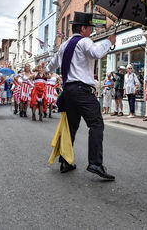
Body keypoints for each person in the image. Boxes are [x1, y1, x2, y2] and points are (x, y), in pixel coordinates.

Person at [46, 11, 116, 180]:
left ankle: (65, 161)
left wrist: (45, 72)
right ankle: (95, 163)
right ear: (83, 28)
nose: (91, 32)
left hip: (68, 90)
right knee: (96, 123)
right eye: (89, 28)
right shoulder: (85, 41)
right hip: (82, 90)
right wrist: (109, 41)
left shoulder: (63, 45)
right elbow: (97, 53)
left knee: (71, 126)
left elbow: (51, 65)